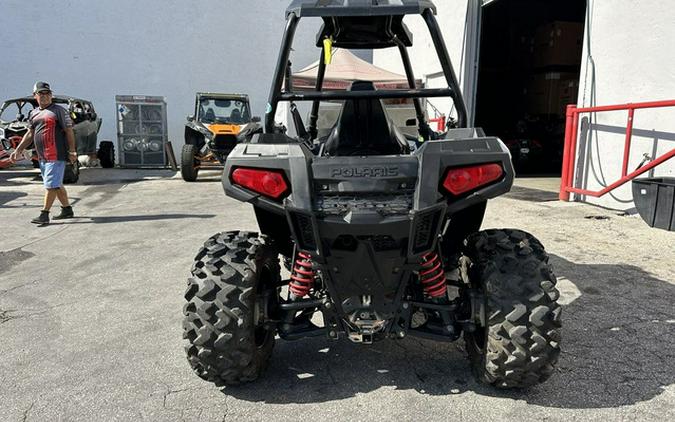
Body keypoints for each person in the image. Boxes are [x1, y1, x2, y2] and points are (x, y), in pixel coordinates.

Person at [10, 81, 77, 225]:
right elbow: (30, 133)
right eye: (41, 93)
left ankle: (44, 214)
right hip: (42, 157)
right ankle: (67, 209)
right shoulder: (34, 113)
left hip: (56, 155)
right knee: (56, 184)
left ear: (51, 95)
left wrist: (72, 151)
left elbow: (69, 131)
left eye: (47, 93)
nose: (45, 96)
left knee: (51, 185)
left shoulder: (59, 110)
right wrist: (18, 149)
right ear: (35, 96)